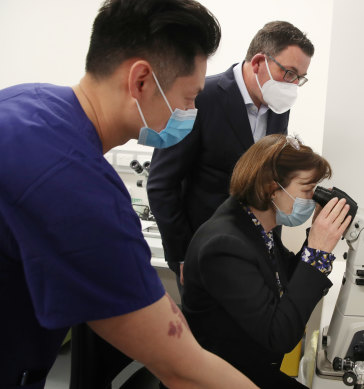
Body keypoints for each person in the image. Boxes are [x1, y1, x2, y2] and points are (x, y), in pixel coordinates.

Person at [0, 1, 257, 388]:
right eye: (190, 99)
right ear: (141, 81)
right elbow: (183, 369)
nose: (191, 111)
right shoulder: (79, 190)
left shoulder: (25, 100)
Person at [147, 21, 314, 296]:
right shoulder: (200, 98)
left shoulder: (278, 106)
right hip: (204, 251)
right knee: (209, 336)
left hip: (256, 251)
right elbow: (161, 184)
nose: (293, 85)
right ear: (259, 61)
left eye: (300, 78)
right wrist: (182, 254)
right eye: (289, 73)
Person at [181, 134, 352, 388]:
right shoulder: (225, 245)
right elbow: (279, 336)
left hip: (247, 366)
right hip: (219, 378)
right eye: (307, 189)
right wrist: (318, 253)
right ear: (272, 188)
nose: (312, 199)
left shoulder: (255, 225)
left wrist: (316, 238)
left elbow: (286, 281)